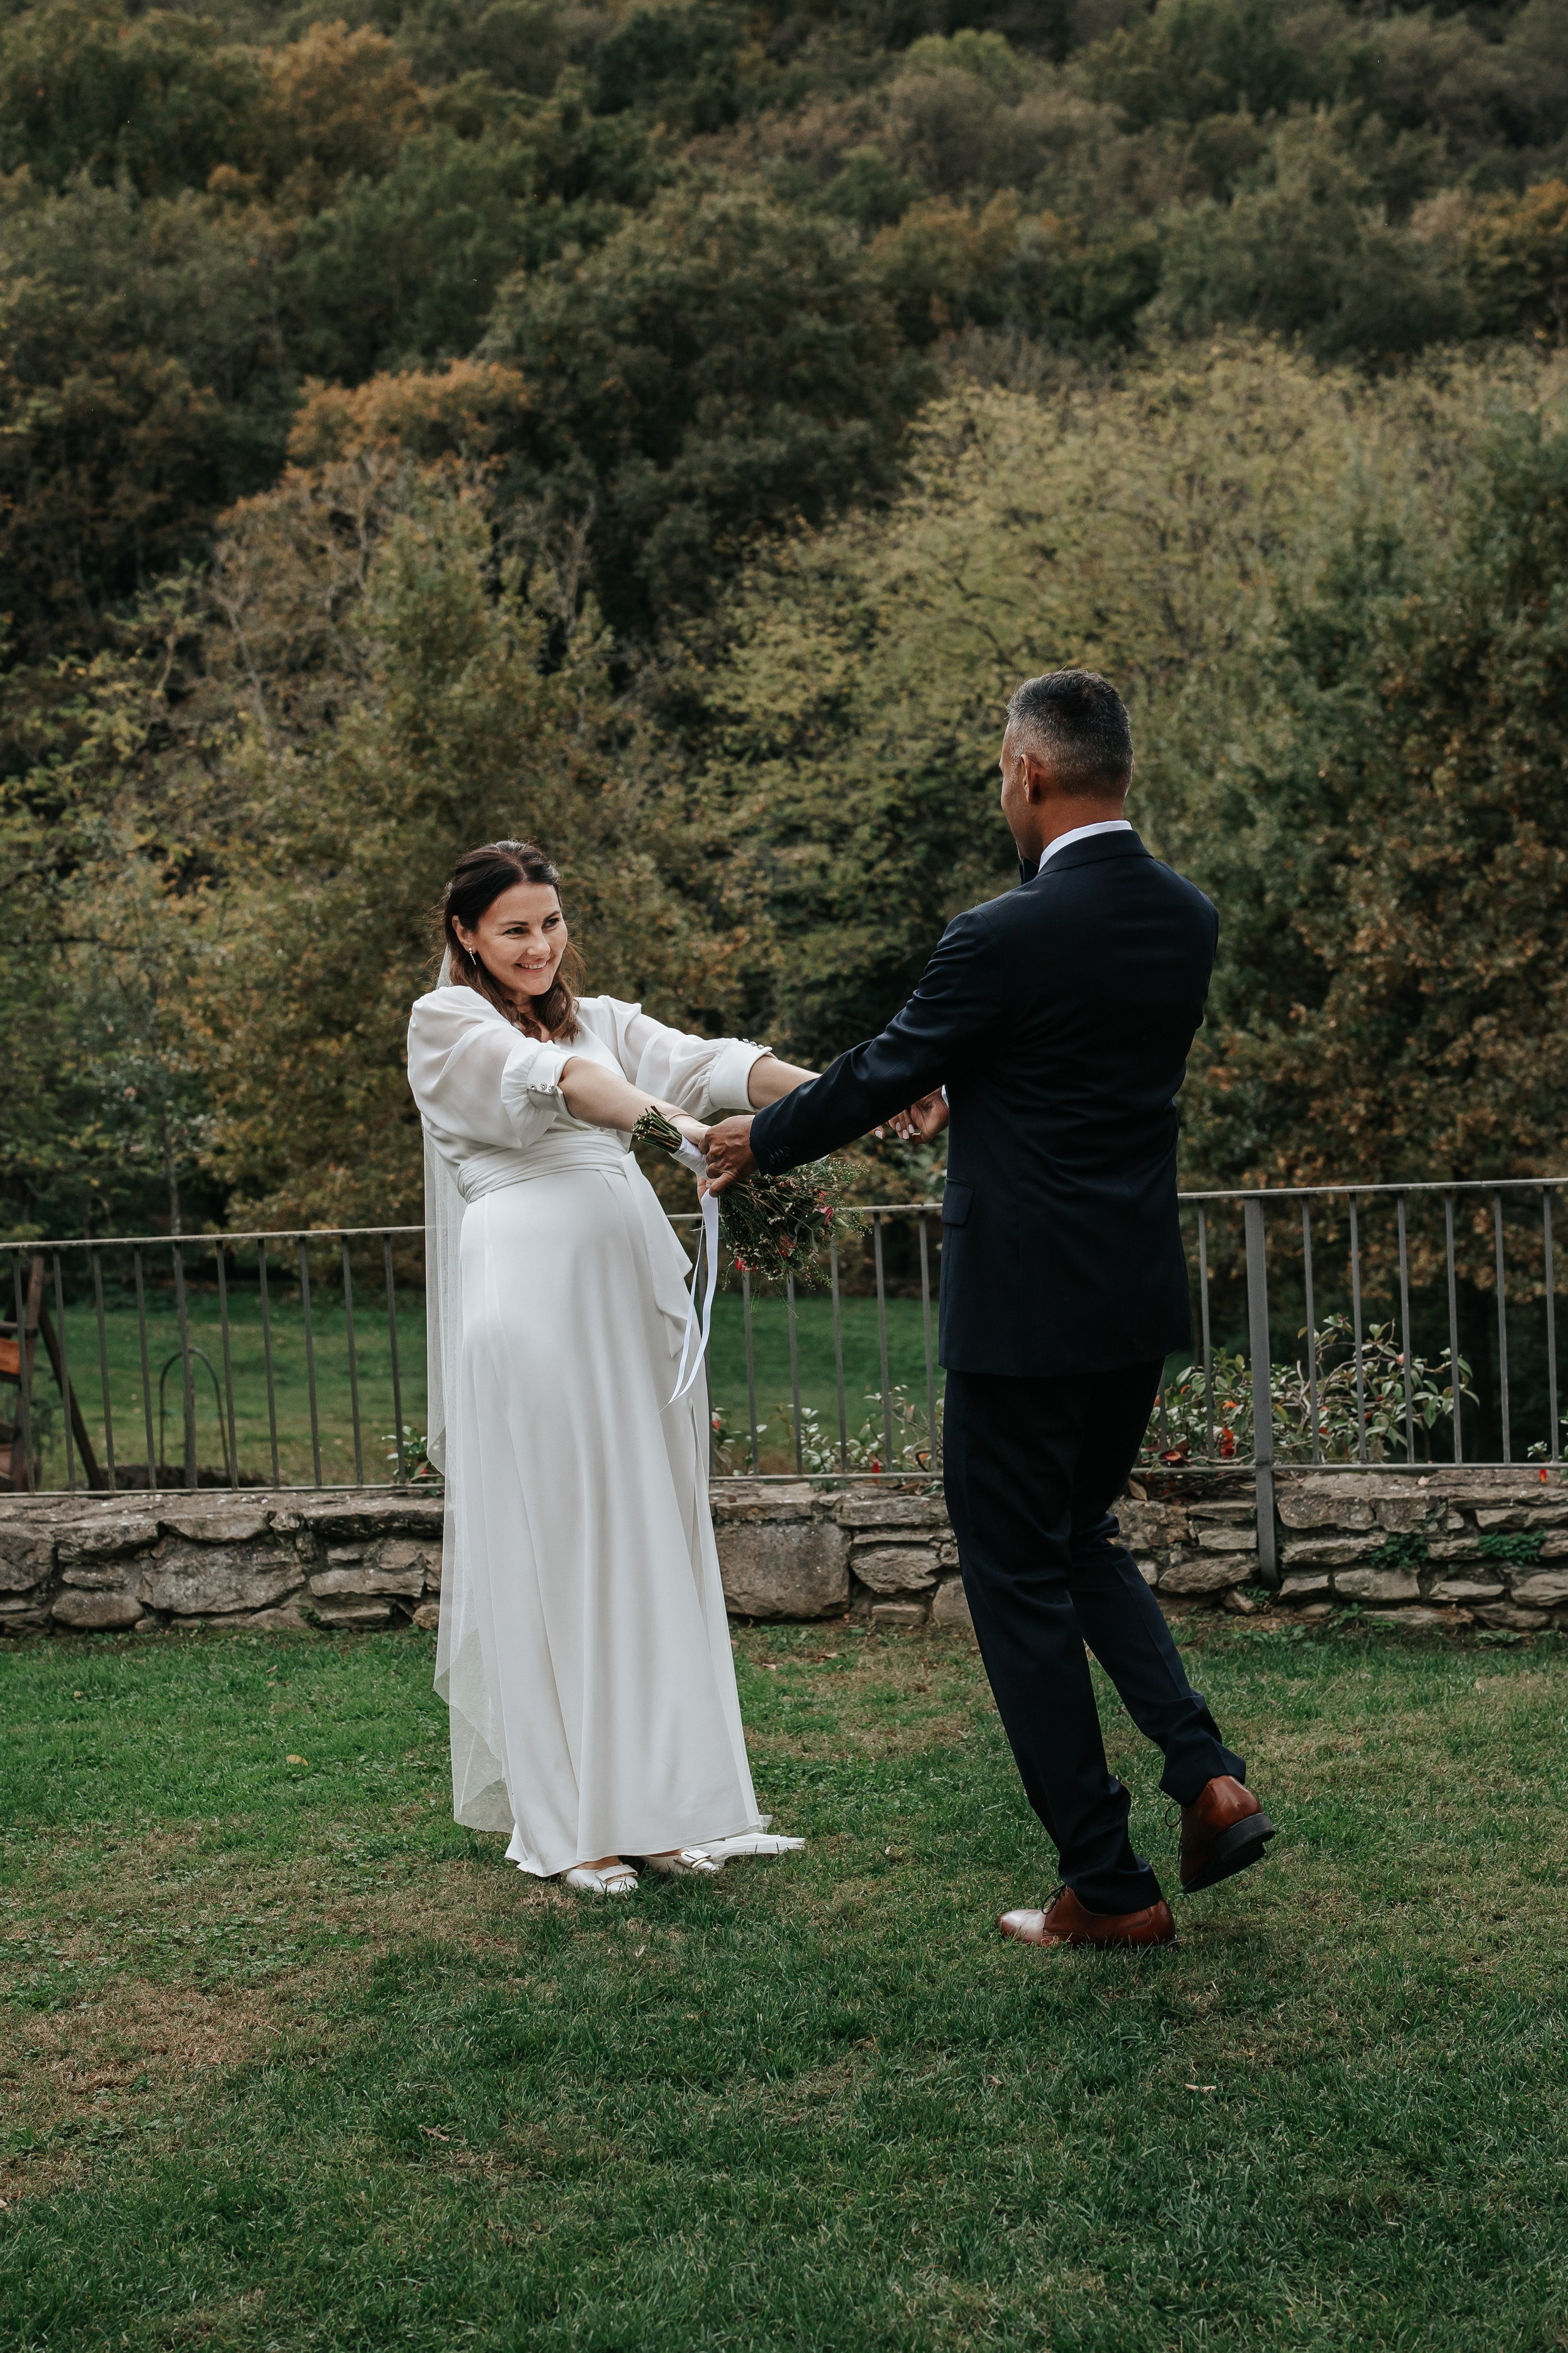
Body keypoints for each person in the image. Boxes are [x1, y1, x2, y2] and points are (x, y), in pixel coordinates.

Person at [705, 671, 1273, 1949]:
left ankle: (1108, 1885)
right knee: (1078, 1535)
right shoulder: (1184, 918)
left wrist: (758, 1141)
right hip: (1128, 1298)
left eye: (996, 777)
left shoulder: (999, 932)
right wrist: (964, 1083)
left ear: (1026, 773)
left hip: (1019, 1309)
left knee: (1015, 1578)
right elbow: (1044, 1068)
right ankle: (1204, 1775)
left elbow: (884, 1067)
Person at [407, 839, 818, 1896]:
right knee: (562, 1538)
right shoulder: (445, 1021)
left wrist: (855, 1091)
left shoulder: (606, 1018)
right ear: (466, 933)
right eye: (514, 928)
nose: (540, 945)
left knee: (649, 1532)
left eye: (550, 922)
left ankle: (668, 1808)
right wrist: (678, 1131)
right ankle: (571, 1825)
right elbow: (565, 1083)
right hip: (534, 1305)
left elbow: (717, 1062)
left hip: (633, 1299)